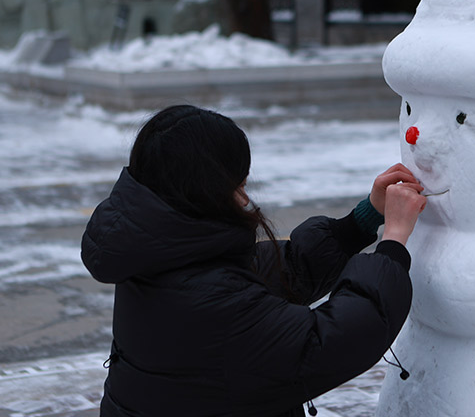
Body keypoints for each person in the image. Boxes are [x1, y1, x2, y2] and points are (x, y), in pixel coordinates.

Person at [81, 104, 426, 416]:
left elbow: (276, 272)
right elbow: (334, 340)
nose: (246, 198)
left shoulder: (155, 250)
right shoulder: (210, 302)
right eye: (237, 185)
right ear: (202, 193)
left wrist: (363, 219)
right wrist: (394, 239)